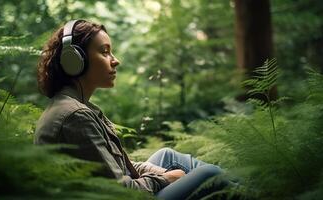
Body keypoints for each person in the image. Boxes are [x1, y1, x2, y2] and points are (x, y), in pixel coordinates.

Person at [34, 19, 231, 199]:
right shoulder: (76, 116)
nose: (115, 60)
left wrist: (163, 174)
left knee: (167, 156)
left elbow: (118, 168)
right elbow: (119, 192)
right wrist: (166, 179)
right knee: (209, 175)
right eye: (104, 52)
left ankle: (243, 187)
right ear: (75, 60)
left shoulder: (77, 106)